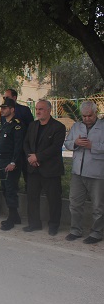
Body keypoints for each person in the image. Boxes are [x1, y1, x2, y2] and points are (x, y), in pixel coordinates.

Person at [22, 99, 66, 236]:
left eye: (41, 109)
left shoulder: (58, 127)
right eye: (37, 109)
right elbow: (26, 143)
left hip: (50, 169)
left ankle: (54, 225)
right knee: (32, 197)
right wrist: (31, 157)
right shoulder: (33, 125)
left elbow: (55, 148)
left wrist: (38, 157)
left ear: (49, 110)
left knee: (53, 199)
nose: (38, 111)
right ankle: (34, 224)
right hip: (34, 168)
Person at [64, 101, 104, 244]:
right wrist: (75, 143)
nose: (87, 118)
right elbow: (67, 143)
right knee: (75, 203)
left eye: (89, 116)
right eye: (84, 116)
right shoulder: (76, 126)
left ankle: (97, 233)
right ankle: (75, 230)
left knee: (98, 205)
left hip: (97, 172)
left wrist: (93, 146)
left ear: (95, 113)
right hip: (77, 172)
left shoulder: (102, 126)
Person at [0, 98, 25, 230]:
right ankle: (15, 216)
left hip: (10, 161)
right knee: (6, 189)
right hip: (2, 161)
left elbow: (18, 146)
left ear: (12, 109)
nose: (2, 110)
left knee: (11, 189)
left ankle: (11, 218)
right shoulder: (5, 124)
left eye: (5, 108)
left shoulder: (17, 125)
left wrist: (13, 162)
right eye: (2, 108)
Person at [2, 88, 34, 189]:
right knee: (10, 179)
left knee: (26, 171)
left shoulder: (24, 110)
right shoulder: (3, 112)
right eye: (4, 97)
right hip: (10, 148)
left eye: (7, 97)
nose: (5, 99)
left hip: (23, 145)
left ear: (14, 97)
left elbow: (30, 127)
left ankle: (29, 189)